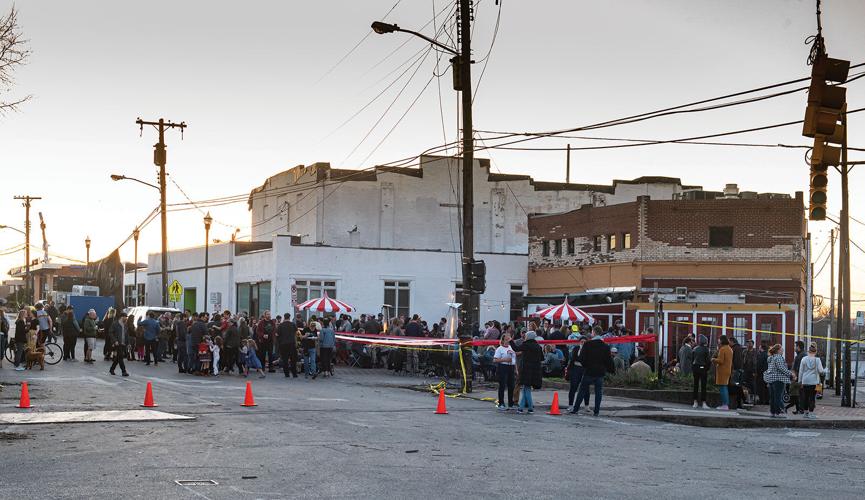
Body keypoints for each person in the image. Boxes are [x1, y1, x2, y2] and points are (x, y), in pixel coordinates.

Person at [574, 326, 615, 416]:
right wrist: (611, 370)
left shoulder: (588, 344)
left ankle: (575, 409)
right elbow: (609, 361)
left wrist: (585, 366)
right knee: (598, 392)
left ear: (593, 333)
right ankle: (596, 411)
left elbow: (582, 358)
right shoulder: (605, 346)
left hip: (589, 371)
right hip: (600, 372)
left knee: (582, 390)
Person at [509, 325, 543, 414]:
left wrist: (511, 341)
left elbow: (516, 349)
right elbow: (542, 358)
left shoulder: (526, 345)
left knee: (526, 388)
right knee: (525, 388)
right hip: (536, 370)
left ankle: (530, 408)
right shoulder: (538, 347)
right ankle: (520, 408)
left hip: (526, 370)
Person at [764, 343, 793, 418]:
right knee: (778, 397)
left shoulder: (771, 358)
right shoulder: (778, 357)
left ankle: (772, 412)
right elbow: (782, 368)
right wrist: (791, 374)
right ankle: (779, 412)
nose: (782, 350)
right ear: (778, 350)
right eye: (781, 349)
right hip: (779, 379)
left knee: (773, 397)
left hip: (771, 379)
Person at [797, 344, 825, 419]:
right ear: (815, 352)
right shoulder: (817, 360)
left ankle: (806, 413)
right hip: (814, 381)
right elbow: (821, 371)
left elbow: (801, 371)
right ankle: (811, 413)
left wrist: (800, 381)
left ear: (808, 351)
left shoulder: (804, 359)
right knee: (812, 397)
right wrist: (822, 372)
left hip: (805, 381)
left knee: (806, 397)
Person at [493, 334, 517, 410]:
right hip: (503, 366)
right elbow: (495, 359)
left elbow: (514, 358)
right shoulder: (500, 349)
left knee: (511, 385)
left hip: (511, 366)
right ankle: (501, 403)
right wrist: (505, 360)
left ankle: (511, 403)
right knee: (502, 385)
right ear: (503, 340)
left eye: (509, 339)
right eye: (506, 339)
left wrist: (516, 369)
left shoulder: (511, 347)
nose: (508, 341)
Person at [567, 336, 589, 412]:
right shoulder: (576, 348)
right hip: (576, 369)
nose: (583, 343)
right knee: (573, 387)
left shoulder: (588, 350)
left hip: (584, 369)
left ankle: (586, 405)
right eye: (581, 341)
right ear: (579, 342)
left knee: (586, 388)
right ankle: (570, 405)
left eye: (584, 342)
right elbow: (573, 358)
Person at [712, 335, 733, 410]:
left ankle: (725, 404)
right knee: (725, 387)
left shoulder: (723, 349)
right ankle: (725, 404)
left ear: (722, 340)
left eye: (719, 340)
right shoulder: (729, 349)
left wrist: (713, 359)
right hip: (727, 370)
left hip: (722, 370)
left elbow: (720, 361)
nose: (718, 341)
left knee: (722, 387)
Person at [692, 335, 711, 409]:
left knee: (695, 385)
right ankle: (703, 402)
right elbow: (708, 361)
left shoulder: (695, 349)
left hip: (695, 367)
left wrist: (693, 367)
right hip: (703, 368)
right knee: (703, 386)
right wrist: (707, 368)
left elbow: (692, 359)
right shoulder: (706, 349)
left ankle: (695, 401)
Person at [277, 313, 299, 378]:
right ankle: (294, 374)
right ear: (289, 317)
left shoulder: (280, 325)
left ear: (284, 317)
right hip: (292, 344)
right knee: (293, 360)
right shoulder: (293, 324)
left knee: (285, 359)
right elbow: (296, 333)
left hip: (283, 344)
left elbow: (278, 335)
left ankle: (287, 374)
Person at [109, 312, 130, 376]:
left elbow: (127, 335)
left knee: (118, 357)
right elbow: (110, 332)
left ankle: (112, 369)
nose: (126, 318)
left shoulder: (125, 325)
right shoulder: (115, 324)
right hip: (118, 343)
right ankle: (124, 371)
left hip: (123, 343)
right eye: (125, 317)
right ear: (121, 317)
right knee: (120, 357)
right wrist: (115, 341)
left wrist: (128, 343)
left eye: (126, 317)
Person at [790, 340, 806, 414]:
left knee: (800, 394)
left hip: (799, 378)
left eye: (795, 346)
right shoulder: (802, 355)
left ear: (799, 347)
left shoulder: (800, 356)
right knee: (798, 394)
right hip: (800, 378)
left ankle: (800, 409)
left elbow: (798, 368)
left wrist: (795, 376)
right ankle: (799, 409)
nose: (794, 348)